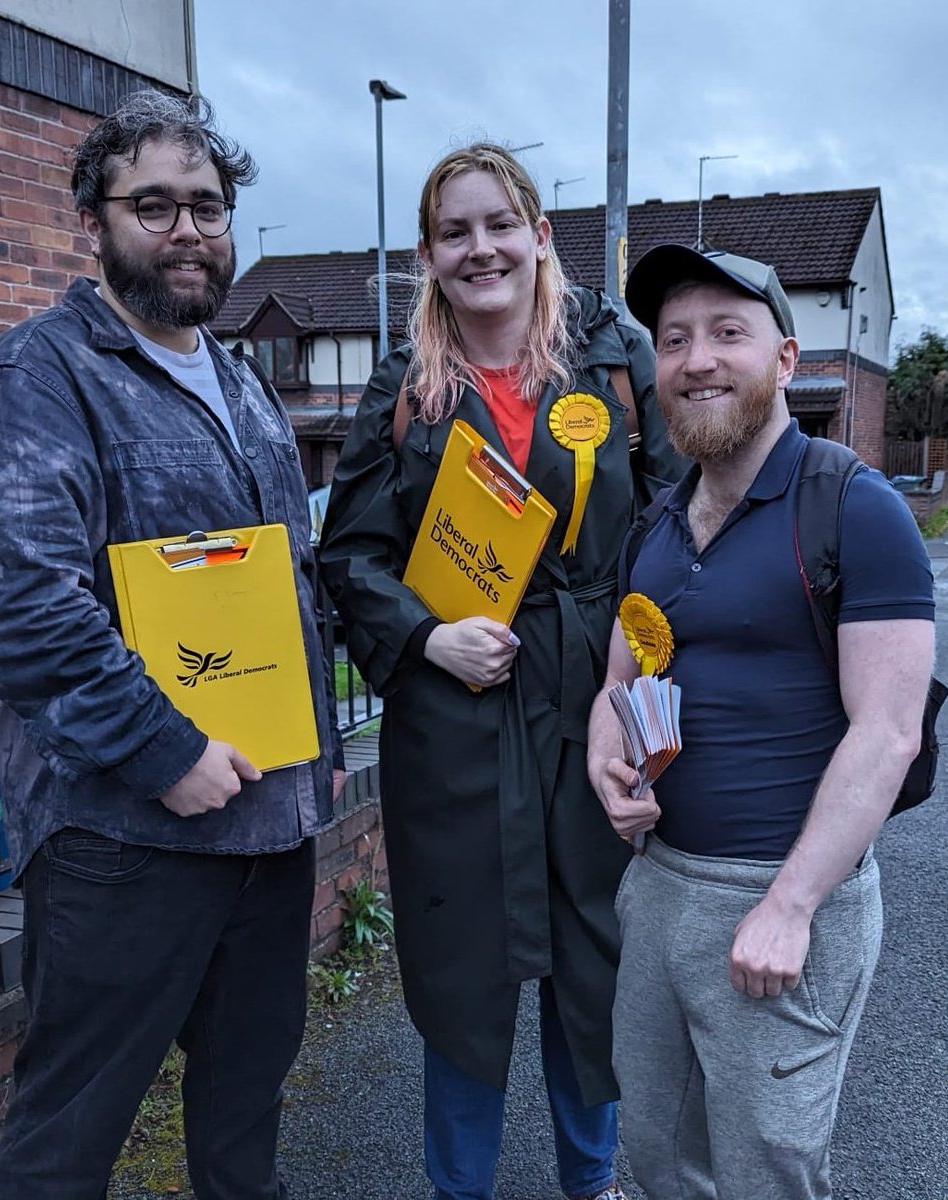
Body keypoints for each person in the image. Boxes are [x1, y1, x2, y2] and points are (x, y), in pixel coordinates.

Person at [0, 89, 344, 1200]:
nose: (186, 232)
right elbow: (16, 608)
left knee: (242, 1112)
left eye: (208, 208)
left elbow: (288, 579)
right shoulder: (39, 377)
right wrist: (164, 752)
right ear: (94, 220)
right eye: (154, 206)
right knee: (71, 1134)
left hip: (270, 821)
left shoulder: (244, 385)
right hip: (124, 834)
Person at [318, 143, 685, 1200]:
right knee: (463, 978)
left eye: (496, 224)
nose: (479, 248)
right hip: (457, 715)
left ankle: (594, 1184)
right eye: (453, 231)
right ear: (428, 255)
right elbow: (349, 553)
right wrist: (428, 636)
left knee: (594, 965)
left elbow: (674, 531)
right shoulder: (405, 387)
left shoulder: (617, 362)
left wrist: (641, 679)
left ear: (537, 235)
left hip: (592, 706)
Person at [586, 244, 936, 1200]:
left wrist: (789, 906)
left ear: (785, 360)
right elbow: (621, 677)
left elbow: (890, 731)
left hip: (785, 900)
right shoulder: (656, 525)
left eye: (727, 334)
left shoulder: (854, 507)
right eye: (674, 340)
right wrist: (603, 758)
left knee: (764, 1172)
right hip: (660, 891)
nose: (697, 359)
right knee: (657, 1154)